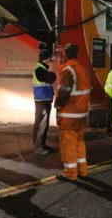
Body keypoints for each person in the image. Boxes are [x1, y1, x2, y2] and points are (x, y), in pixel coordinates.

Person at [54, 44, 91, 181]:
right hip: (82, 115)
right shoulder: (84, 69)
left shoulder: (68, 69)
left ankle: (70, 173)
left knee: (68, 144)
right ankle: (82, 170)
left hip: (70, 115)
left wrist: (57, 104)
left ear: (66, 54)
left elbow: (63, 92)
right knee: (79, 142)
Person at [32, 48, 56, 154]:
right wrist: (53, 74)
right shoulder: (40, 69)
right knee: (41, 123)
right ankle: (39, 146)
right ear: (46, 58)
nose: (52, 58)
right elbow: (51, 79)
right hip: (42, 99)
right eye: (50, 57)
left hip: (44, 99)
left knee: (43, 123)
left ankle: (42, 144)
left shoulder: (42, 68)